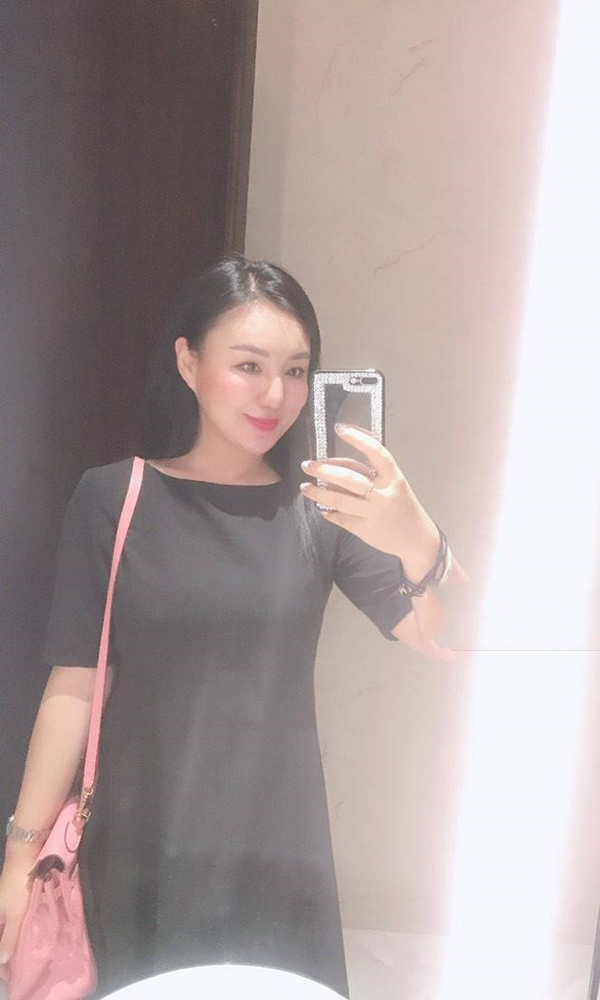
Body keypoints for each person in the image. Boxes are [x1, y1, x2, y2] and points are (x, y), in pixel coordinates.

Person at [0, 255, 465, 998]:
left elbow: (439, 636)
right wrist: (20, 853)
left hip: (280, 855)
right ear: (188, 362)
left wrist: (418, 539)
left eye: (295, 370)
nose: (275, 395)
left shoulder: (321, 509)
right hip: (142, 849)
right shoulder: (115, 497)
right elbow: (76, 684)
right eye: (248, 365)